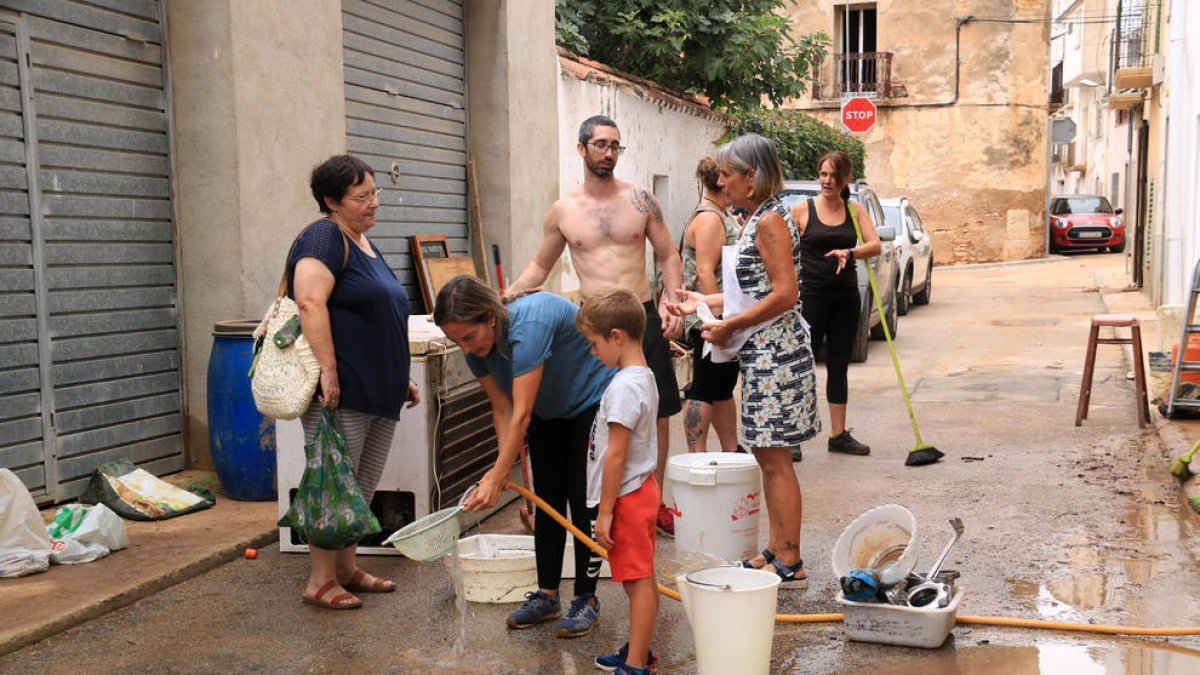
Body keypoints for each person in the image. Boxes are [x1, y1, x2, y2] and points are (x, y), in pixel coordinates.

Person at [504, 114, 685, 537]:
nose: (609, 152)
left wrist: (672, 303)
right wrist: (509, 296)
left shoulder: (641, 199)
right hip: (594, 325)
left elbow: (669, 256)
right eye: (601, 144)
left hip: (640, 317)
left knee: (654, 413)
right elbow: (540, 266)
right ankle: (602, 502)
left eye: (615, 145)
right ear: (582, 149)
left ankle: (652, 500)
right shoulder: (564, 211)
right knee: (598, 414)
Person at [667, 133, 819, 587]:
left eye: (728, 174)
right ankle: (776, 548)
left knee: (775, 461)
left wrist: (730, 325)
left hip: (777, 357)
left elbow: (785, 294)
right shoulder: (761, 216)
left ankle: (789, 556)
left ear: (751, 177)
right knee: (767, 457)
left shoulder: (769, 220)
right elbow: (751, 291)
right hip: (764, 353)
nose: (722, 181)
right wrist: (704, 299)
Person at [433, 275, 612, 638]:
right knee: (546, 500)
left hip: (589, 401)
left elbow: (521, 413)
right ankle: (547, 594)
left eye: (469, 337)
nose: (464, 349)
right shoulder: (476, 349)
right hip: (547, 411)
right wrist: (505, 464)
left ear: (491, 318)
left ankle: (586, 598)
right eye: (456, 341)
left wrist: (498, 476)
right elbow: (502, 407)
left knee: (582, 498)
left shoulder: (528, 324)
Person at [289, 154, 420, 610]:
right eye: (361, 197)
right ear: (332, 200)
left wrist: (399, 376)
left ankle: (345, 569)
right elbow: (309, 301)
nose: (373, 204)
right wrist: (328, 371)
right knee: (333, 483)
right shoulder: (323, 236)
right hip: (341, 391)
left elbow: (381, 314)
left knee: (360, 487)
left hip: (377, 389)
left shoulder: (362, 242)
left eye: (374, 193)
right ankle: (320, 580)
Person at [575, 289, 661, 675]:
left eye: (593, 345)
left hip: (626, 496)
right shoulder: (641, 376)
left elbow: (616, 454)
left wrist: (605, 512)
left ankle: (636, 665)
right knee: (641, 578)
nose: (592, 354)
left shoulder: (625, 386)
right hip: (638, 491)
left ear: (616, 336)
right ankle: (638, 651)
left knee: (637, 582)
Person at [789, 151, 882, 456]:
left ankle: (838, 435)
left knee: (839, 364)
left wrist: (850, 252)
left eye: (834, 176)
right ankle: (794, 438)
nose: (827, 181)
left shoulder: (854, 210)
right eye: (823, 174)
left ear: (844, 180)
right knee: (805, 365)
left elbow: (875, 245)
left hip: (845, 299)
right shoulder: (802, 211)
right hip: (812, 297)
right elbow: (781, 248)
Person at [680, 157, 742, 455]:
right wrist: (717, 320)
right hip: (708, 317)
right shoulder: (709, 218)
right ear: (719, 180)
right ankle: (698, 454)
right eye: (730, 175)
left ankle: (732, 448)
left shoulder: (719, 214)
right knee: (705, 385)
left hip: (716, 312)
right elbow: (705, 271)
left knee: (722, 386)